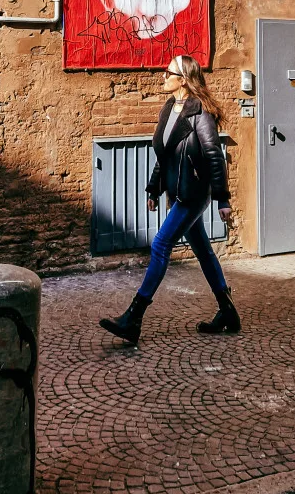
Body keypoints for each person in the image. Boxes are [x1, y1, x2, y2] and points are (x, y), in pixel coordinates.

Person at [99, 54, 241, 345]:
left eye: (168, 73)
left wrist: (222, 199)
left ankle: (134, 318)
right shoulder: (169, 108)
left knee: (161, 244)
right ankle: (227, 310)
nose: (163, 77)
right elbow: (163, 154)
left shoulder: (200, 113)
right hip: (177, 191)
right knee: (203, 250)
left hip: (193, 194)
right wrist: (153, 188)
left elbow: (214, 155)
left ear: (183, 80)